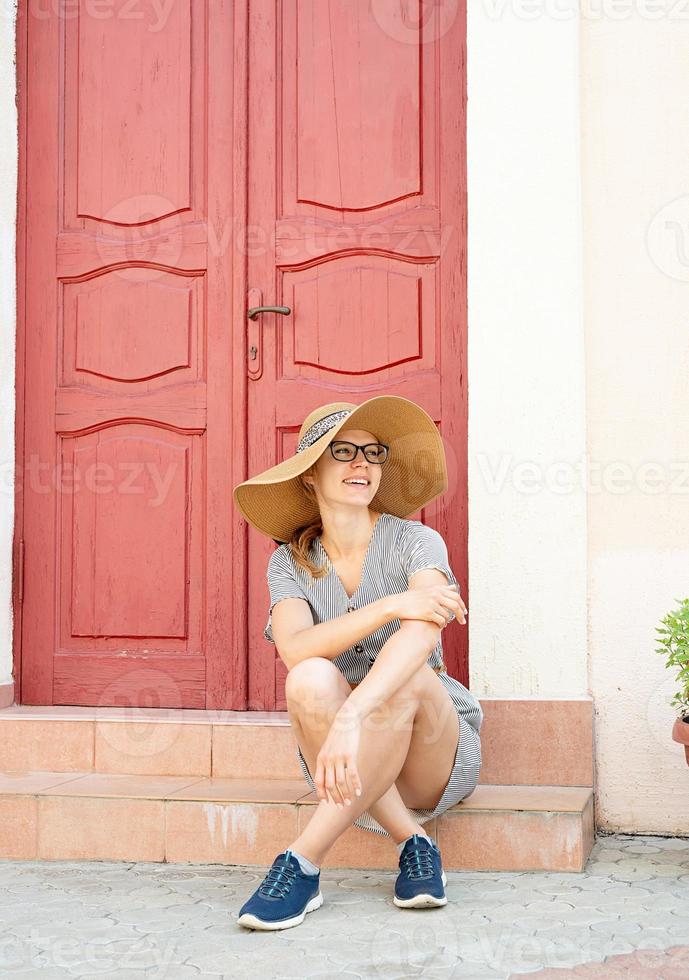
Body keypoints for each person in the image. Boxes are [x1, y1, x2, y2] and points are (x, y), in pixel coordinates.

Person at [232, 396, 483, 930]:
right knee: (308, 676)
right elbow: (295, 648)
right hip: (343, 759)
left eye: (373, 452)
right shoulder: (291, 561)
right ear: (309, 477)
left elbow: (424, 628)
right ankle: (413, 842)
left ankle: (301, 861)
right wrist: (391, 604)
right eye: (342, 451)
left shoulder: (418, 540)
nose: (361, 462)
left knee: (410, 672)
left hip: (426, 745)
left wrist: (352, 717)